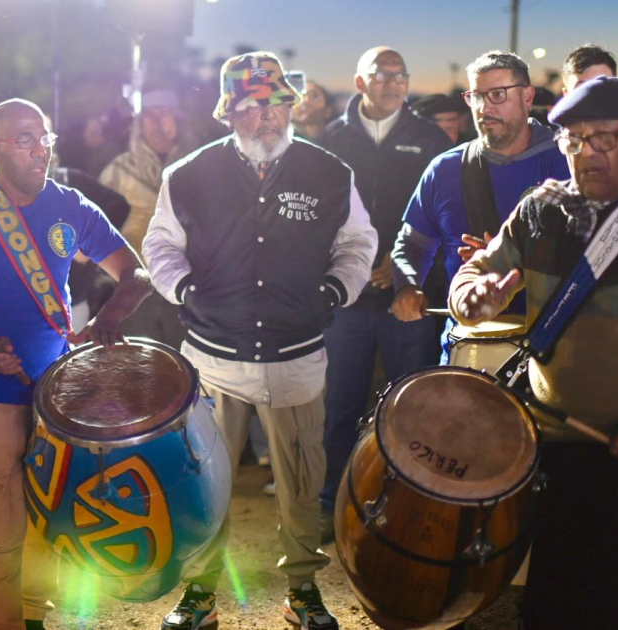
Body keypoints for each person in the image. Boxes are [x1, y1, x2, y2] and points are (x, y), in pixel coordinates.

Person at [143, 51, 377, 630]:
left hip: (297, 359)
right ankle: (199, 594)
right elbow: (159, 246)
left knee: (300, 482)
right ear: (228, 112)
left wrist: (332, 292)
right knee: (204, 480)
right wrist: (186, 290)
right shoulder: (189, 174)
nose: (267, 116)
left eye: (276, 102)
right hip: (213, 360)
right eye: (251, 105)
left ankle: (302, 589)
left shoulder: (328, 172)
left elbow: (358, 244)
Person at [0, 98, 151, 630]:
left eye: (44, 138)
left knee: (48, 514)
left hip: (55, 391)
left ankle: (35, 619)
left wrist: (110, 317)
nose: (40, 149)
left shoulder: (72, 204)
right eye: (24, 139)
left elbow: (136, 273)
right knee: (0, 521)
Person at [449, 76, 618, 630]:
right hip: (551, 442)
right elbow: (478, 272)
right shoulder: (541, 210)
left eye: (603, 138)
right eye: (573, 140)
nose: (586, 154)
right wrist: (473, 296)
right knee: (553, 592)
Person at [316, 46, 451, 542]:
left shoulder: (429, 137)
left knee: (410, 409)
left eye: (401, 75)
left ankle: (408, 511)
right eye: (382, 74)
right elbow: (320, 213)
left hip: (407, 297)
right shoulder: (331, 138)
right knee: (339, 407)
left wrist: (400, 267)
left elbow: (441, 215)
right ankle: (331, 505)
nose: (393, 83)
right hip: (348, 301)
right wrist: (348, 268)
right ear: (360, 82)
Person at [390, 50, 570, 357]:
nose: (484, 107)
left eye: (498, 94)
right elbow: (412, 244)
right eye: (476, 97)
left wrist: (507, 261)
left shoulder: (569, 161)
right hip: (467, 347)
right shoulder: (445, 169)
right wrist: (407, 285)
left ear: (527, 97)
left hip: (553, 351)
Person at [99, 89, 189, 346]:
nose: (158, 122)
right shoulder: (118, 170)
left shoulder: (197, 167)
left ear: (178, 120)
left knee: (186, 367)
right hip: (136, 290)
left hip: (184, 286)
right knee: (141, 368)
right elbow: (99, 229)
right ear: (140, 124)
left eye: (165, 114)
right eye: (150, 116)